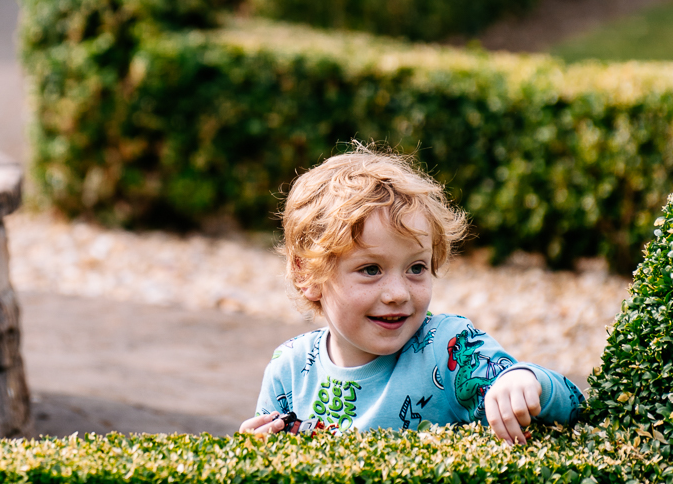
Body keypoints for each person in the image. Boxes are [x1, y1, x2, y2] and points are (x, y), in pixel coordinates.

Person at [240, 148, 584, 443]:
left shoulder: (448, 347)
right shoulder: (290, 368)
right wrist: (253, 448)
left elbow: (577, 409)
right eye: (371, 269)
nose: (397, 293)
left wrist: (525, 380)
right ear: (306, 275)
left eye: (416, 268)